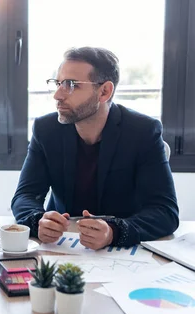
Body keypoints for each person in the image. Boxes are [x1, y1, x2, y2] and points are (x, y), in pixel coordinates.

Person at [11, 47, 179, 250]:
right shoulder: (46, 130)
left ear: (105, 91)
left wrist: (114, 232)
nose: (57, 95)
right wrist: (37, 221)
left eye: (71, 85)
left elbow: (165, 212)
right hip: (63, 247)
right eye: (58, 83)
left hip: (122, 251)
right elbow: (25, 196)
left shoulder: (143, 132)